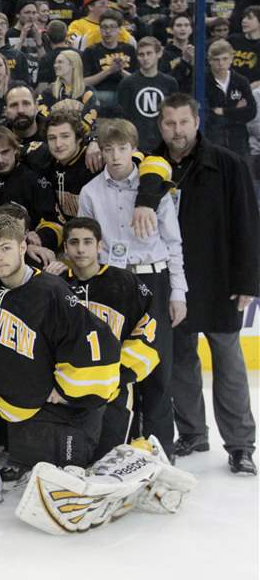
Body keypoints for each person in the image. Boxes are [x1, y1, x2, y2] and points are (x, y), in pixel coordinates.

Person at [0, 214, 122, 480]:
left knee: (62, 478)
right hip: (11, 406)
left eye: (6, 249)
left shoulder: (52, 292)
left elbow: (96, 341)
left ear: (22, 248)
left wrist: (70, 390)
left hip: (57, 412)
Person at [154, 94, 258, 475]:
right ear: (160, 125)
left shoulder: (228, 164)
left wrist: (247, 279)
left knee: (228, 364)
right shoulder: (151, 165)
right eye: (170, 123)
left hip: (220, 282)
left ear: (197, 121)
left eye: (184, 122)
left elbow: (248, 224)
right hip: (173, 285)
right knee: (181, 360)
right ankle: (193, 433)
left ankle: (241, 444)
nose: (177, 131)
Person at [77, 118, 186, 452]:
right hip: (115, 284)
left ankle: (159, 449)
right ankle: (117, 446)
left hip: (154, 278)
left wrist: (178, 292)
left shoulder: (155, 191)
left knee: (158, 368)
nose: (115, 156)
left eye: (122, 148)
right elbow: (88, 247)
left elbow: (173, 243)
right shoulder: (91, 192)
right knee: (119, 366)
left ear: (134, 150)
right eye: (108, 149)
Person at [51, 218, 163, 458]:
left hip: (115, 390)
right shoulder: (56, 286)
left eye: (88, 242)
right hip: (68, 388)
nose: (81, 249)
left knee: (110, 457)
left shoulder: (125, 282)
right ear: (66, 248)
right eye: (74, 242)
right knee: (73, 459)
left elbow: (149, 328)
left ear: (99, 246)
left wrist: (120, 375)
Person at [117, 37, 180, 152]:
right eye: (141, 55)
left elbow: (174, 115)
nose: (145, 58)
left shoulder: (170, 83)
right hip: (135, 145)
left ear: (159, 53)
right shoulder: (127, 83)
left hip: (163, 144)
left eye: (149, 53)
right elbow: (122, 118)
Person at [204, 38, 257, 154]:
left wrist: (224, 111)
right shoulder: (203, 81)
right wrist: (236, 110)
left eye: (225, 59)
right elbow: (205, 113)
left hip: (238, 141)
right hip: (212, 140)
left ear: (232, 59)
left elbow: (251, 111)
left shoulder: (241, 81)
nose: (221, 63)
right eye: (216, 60)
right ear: (209, 60)